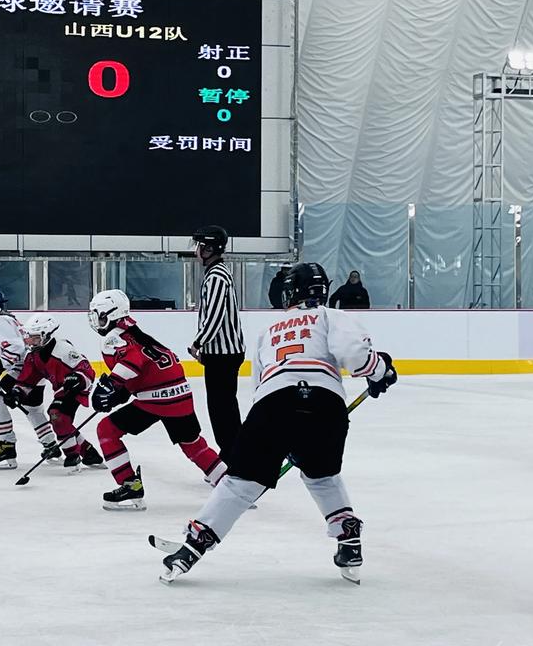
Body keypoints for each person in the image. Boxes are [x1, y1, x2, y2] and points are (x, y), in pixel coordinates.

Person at [154, 263, 396, 583]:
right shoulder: (332, 316)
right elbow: (355, 355)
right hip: (326, 405)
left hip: (274, 404)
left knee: (241, 483)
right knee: (323, 476)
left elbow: (259, 387)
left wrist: (279, 435)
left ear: (291, 292)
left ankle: (193, 546)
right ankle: (348, 537)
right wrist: (381, 372)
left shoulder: (270, 330)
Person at [89, 289, 226, 511]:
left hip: (156, 399)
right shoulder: (134, 332)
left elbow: (134, 361)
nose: (95, 320)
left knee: (107, 430)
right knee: (192, 444)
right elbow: (147, 367)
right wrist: (120, 392)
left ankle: (130, 485)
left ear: (110, 314)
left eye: (98, 315)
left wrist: (112, 384)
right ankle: (231, 486)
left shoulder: (115, 338)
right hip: (180, 393)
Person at [0, 287, 61, 469]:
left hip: (21, 370)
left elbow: (16, 350)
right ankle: (51, 445)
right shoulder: (9, 319)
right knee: (33, 409)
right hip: (35, 371)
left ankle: (6, 445)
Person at [10, 314, 105, 471]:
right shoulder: (34, 356)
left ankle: (72, 455)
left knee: (57, 415)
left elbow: (87, 370)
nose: (30, 341)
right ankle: (89, 452)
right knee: (62, 421)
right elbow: (28, 379)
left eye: (35, 338)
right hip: (61, 390)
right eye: (29, 337)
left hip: (76, 388)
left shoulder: (63, 349)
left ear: (46, 335)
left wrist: (78, 378)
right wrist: (17, 393)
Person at [188, 225, 246, 457]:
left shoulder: (216, 276)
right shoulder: (217, 273)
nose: (196, 251)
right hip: (222, 353)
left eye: (200, 246)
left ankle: (233, 454)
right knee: (224, 406)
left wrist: (198, 343)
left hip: (223, 355)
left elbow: (214, 316)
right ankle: (234, 451)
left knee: (221, 408)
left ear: (210, 249)